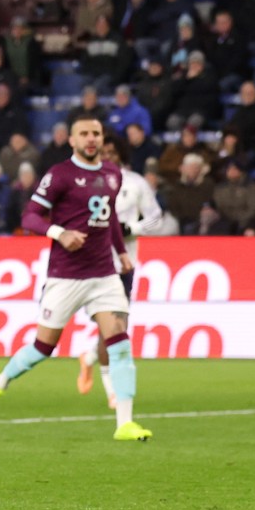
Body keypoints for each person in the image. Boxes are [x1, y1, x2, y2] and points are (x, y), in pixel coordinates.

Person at [0, 114, 152, 442]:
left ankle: (124, 423)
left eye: (96, 133)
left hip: (104, 273)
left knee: (120, 343)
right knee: (44, 346)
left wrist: (121, 252)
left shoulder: (113, 174)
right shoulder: (60, 175)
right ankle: (0, 382)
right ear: (71, 139)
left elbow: (109, 217)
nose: (90, 139)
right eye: (83, 133)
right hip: (66, 276)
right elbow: (30, 215)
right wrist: (60, 233)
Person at [76, 134, 163, 406]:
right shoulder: (86, 183)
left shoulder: (136, 183)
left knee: (114, 327)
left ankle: (90, 358)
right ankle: (111, 388)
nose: (108, 157)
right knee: (112, 326)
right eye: (104, 152)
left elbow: (155, 218)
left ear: (121, 155)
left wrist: (131, 229)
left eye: (113, 152)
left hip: (123, 263)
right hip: (95, 264)